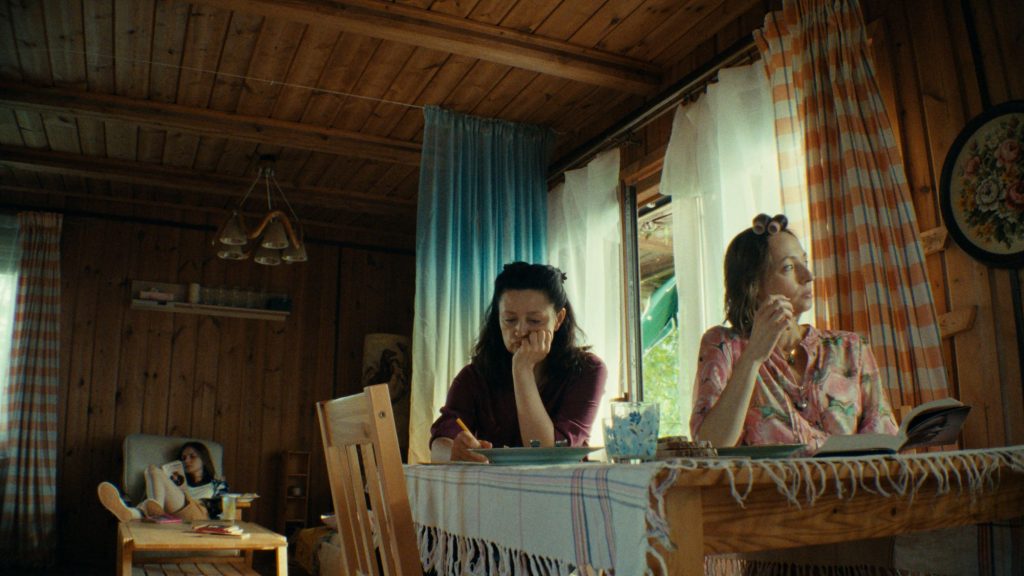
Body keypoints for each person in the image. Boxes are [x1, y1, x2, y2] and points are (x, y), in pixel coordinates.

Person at [690, 214, 898, 452]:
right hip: (766, 479)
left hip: (847, 477)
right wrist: (752, 358)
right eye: (788, 267)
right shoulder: (724, 345)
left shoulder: (850, 348)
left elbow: (885, 442)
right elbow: (711, 445)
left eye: (805, 262)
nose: (808, 276)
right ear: (753, 286)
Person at [430, 262, 607, 463]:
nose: (521, 331)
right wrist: (454, 452)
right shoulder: (475, 376)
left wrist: (522, 369)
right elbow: (439, 444)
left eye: (534, 321)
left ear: (558, 319)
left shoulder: (588, 370)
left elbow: (547, 455)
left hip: (562, 482)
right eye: (509, 320)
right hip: (494, 483)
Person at [97, 441, 229, 521]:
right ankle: (130, 513)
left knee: (154, 472)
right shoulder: (180, 480)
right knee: (152, 470)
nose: (186, 461)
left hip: (197, 514)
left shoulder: (217, 484)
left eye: (192, 456)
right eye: (183, 458)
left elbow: (224, 508)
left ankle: (146, 510)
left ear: (204, 460)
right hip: (174, 512)